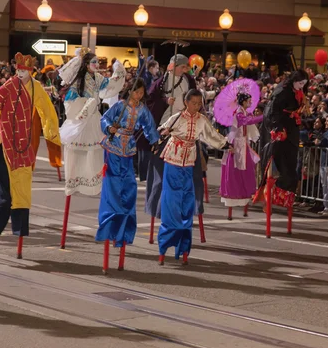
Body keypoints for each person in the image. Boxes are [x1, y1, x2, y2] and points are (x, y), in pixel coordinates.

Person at [0, 53, 61, 261]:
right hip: (6, 142)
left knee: (23, 192)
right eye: (18, 70)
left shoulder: (35, 88)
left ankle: (19, 230)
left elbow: (47, 110)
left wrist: (51, 130)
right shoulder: (8, 85)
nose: (20, 74)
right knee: (4, 190)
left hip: (25, 144)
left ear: (31, 71)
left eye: (24, 71)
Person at [157, 89, 231, 265]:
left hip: (189, 161)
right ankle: (166, 241)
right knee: (172, 200)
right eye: (194, 103)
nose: (197, 106)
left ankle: (183, 244)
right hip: (173, 159)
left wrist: (225, 144)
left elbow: (211, 135)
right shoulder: (176, 117)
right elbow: (161, 131)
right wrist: (164, 131)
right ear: (186, 103)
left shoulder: (202, 120)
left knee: (187, 200)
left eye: (199, 104)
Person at [96, 78, 159, 272]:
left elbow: (149, 126)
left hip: (129, 147)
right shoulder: (119, 105)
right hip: (114, 146)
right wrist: (110, 128)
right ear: (129, 91)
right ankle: (114, 211)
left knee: (129, 182)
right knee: (114, 180)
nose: (138, 95)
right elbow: (104, 119)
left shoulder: (142, 109)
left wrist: (154, 140)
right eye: (136, 92)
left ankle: (124, 212)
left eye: (141, 93)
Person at [58, 48, 126, 197]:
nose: (96, 64)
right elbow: (69, 101)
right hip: (82, 118)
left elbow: (110, 84)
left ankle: (92, 184)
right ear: (86, 64)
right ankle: (75, 181)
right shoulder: (79, 81)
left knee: (94, 152)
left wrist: (118, 71)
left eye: (97, 61)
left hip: (94, 118)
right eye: (93, 62)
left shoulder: (98, 78)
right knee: (78, 152)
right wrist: (85, 105)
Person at [254, 69, 310, 236]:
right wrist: (277, 128)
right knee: (278, 164)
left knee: (291, 169)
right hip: (279, 129)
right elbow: (272, 111)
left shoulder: (298, 92)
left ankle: (281, 196)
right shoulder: (281, 91)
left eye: (304, 84)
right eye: (300, 83)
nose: (302, 86)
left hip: (292, 128)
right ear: (293, 80)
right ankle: (268, 195)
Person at [144, 55, 196, 230]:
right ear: (174, 66)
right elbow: (150, 101)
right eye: (182, 67)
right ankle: (157, 209)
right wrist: (165, 101)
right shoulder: (161, 82)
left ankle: (182, 210)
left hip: (185, 129)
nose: (185, 70)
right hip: (165, 129)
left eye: (185, 67)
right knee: (160, 174)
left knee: (188, 173)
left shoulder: (189, 80)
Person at [219, 92, 263, 218]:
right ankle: (235, 197)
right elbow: (248, 121)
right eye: (248, 100)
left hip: (243, 144)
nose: (250, 102)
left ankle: (245, 197)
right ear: (243, 101)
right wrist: (262, 117)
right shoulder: (239, 114)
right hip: (236, 145)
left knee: (247, 171)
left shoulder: (244, 113)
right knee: (235, 172)